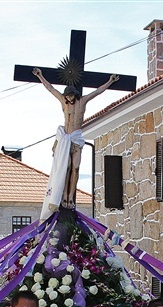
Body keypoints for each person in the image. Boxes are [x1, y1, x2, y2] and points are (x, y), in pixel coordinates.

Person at [32, 67, 119, 211]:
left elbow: (97, 91)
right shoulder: (63, 101)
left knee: (76, 168)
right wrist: (40, 76)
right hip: (66, 137)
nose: (69, 99)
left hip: (76, 138)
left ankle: (71, 195)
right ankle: (65, 195)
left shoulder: (82, 102)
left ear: (75, 95)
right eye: (67, 97)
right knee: (65, 168)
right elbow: (50, 88)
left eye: (71, 96)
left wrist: (109, 81)